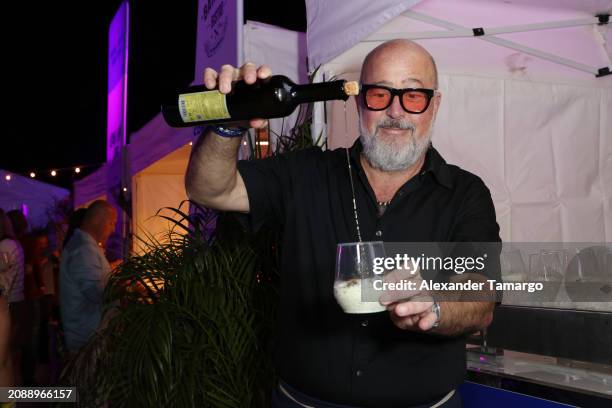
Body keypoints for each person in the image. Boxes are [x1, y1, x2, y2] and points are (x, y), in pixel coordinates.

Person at [186, 39, 500, 407]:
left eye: (413, 96)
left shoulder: (465, 193)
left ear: (435, 105)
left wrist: (435, 306)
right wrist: (229, 122)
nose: (395, 111)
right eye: (380, 94)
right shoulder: (305, 173)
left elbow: (482, 294)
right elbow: (209, 190)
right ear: (358, 102)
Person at [59, 200, 117, 353]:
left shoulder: (85, 245)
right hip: (87, 339)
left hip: (89, 335)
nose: (113, 229)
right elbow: (97, 292)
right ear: (98, 219)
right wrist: (124, 285)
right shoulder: (83, 249)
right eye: (111, 223)